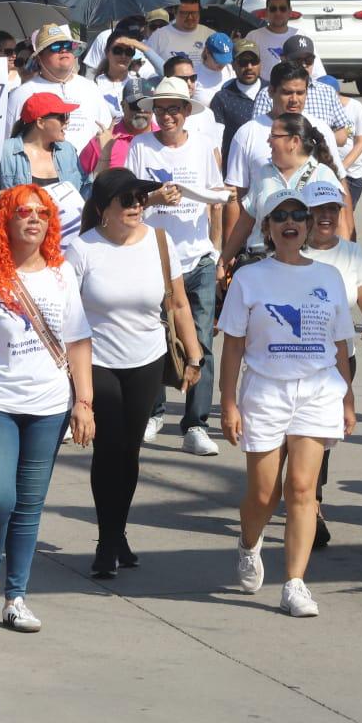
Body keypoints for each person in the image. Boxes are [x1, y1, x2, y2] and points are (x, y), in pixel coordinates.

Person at [0, 185, 94, 633]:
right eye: (23, 212)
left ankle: (16, 596)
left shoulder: (62, 275)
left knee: (29, 504)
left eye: (42, 213)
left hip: (48, 406)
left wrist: (83, 402)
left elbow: (79, 342)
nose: (34, 219)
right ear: (5, 221)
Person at [218, 188, 355, 618]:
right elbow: (234, 346)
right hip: (265, 390)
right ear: (268, 229)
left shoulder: (329, 278)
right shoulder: (249, 278)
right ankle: (248, 544)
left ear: (310, 226)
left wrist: (347, 396)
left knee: (302, 489)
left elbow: (340, 344)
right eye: (280, 217)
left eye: (299, 215)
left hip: (318, 391)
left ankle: (294, 583)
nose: (290, 222)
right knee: (263, 494)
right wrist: (228, 402)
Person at [69, 169, 202, 576]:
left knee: (130, 452)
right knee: (108, 449)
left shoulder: (160, 243)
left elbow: (178, 304)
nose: (136, 206)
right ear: (102, 209)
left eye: (140, 199)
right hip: (98, 362)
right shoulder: (82, 249)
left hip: (147, 358)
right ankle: (107, 541)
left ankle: (117, 531)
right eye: (125, 200)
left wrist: (195, 356)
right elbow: (65, 312)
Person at [126, 76, 229, 453]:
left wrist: (215, 251)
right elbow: (129, 201)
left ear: (187, 112)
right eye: (161, 109)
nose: (167, 116)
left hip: (197, 257)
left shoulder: (203, 147)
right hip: (153, 257)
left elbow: (216, 198)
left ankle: (196, 423)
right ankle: (152, 413)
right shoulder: (140, 147)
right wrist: (154, 198)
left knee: (200, 339)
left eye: (174, 108)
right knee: (155, 337)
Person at [301, 180, 362, 548]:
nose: (326, 217)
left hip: (338, 358)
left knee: (320, 435)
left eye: (332, 210)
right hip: (290, 359)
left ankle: (312, 504)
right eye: (319, 211)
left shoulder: (351, 252)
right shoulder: (290, 250)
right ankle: (295, 495)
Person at [221, 111, 349, 266]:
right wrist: (223, 262)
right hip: (259, 265)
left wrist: (345, 266)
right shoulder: (264, 173)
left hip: (304, 266)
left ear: (294, 141)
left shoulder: (322, 175)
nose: (268, 141)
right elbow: (246, 222)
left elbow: (339, 225)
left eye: (274, 136)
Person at [5, 23, 113, 155]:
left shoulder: (91, 88)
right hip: (41, 173)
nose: (63, 50)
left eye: (67, 46)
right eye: (55, 47)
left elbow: (106, 131)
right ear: (39, 58)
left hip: (88, 173)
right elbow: (10, 141)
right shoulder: (21, 94)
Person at [0, 92, 90, 240]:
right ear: (40, 122)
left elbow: (84, 195)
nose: (66, 122)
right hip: (20, 242)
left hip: (63, 240)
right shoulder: (5, 152)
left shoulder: (67, 151)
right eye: (62, 117)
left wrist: (104, 157)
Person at [247, 37, 350, 138]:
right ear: (283, 58)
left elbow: (344, 131)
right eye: (298, 60)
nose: (304, 64)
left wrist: (317, 141)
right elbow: (258, 132)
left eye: (308, 60)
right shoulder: (268, 94)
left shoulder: (328, 92)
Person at [81, 76, 153, 176]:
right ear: (123, 106)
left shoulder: (165, 138)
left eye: (146, 104)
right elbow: (80, 185)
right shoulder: (101, 142)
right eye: (135, 105)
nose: (141, 110)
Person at [212, 40, 263, 163]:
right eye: (243, 62)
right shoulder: (222, 98)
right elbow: (216, 143)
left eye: (254, 62)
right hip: (235, 169)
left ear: (260, 64)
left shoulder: (273, 92)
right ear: (233, 65)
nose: (249, 67)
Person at [146, 0, 213, 75]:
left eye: (194, 12)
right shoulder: (158, 36)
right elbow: (147, 68)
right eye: (185, 13)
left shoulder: (210, 36)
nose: (190, 17)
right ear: (175, 12)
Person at [331, 78, 362, 208]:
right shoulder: (319, 108)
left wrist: (341, 169)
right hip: (325, 173)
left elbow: (361, 142)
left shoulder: (355, 108)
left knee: (344, 218)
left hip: (351, 174)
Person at [243, 0, 299, 78]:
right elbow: (243, 67)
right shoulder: (253, 37)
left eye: (282, 8)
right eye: (273, 9)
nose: (278, 13)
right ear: (267, 12)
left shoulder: (300, 36)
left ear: (290, 11)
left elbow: (316, 72)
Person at [194, 31, 235, 105]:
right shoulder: (194, 74)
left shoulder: (231, 70)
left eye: (225, 61)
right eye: (217, 60)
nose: (222, 65)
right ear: (207, 52)